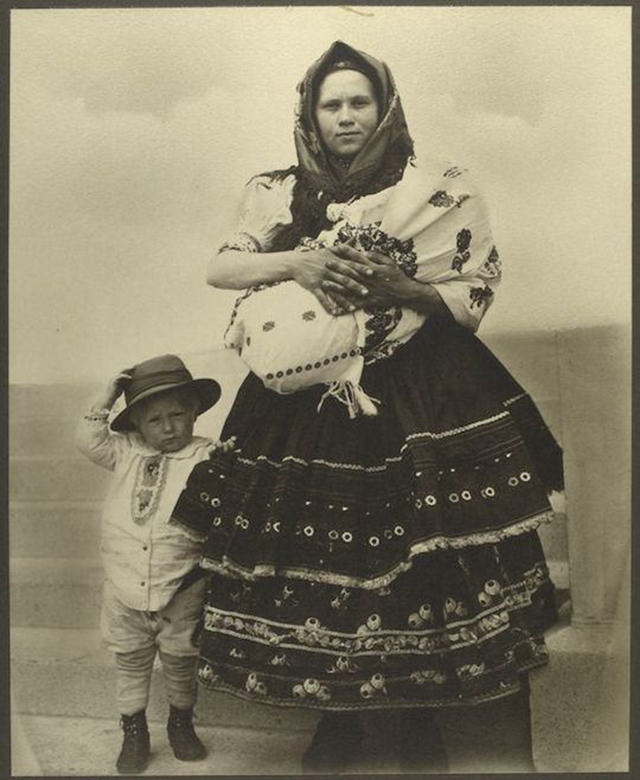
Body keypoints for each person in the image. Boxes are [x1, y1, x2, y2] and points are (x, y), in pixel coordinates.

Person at [173, 41, 564, 773]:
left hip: (423, 390)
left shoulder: (440, 186)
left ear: (384, 108)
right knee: (313, 559)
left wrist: (400, 287)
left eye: (360, 102)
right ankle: (338, 718)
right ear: (311, 117)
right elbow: (222, 266)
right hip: (308, 398)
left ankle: (421, 716)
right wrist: (298, 260)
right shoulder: (278, 188)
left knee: (421, 557)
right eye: (332, 104)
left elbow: (471, 291)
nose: (346, 116)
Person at [75, 354, 236, 774]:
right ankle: (134, 729)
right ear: (138, 425)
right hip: (124, 586)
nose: (168, 428)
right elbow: (88, 440)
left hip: (181, 585)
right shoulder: (124, 451)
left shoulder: (208, 456)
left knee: (182, 662)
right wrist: (107, 395)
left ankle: (181, 724)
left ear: (195, 411)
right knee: (130, 661)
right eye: (155, 420)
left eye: (178, 415)